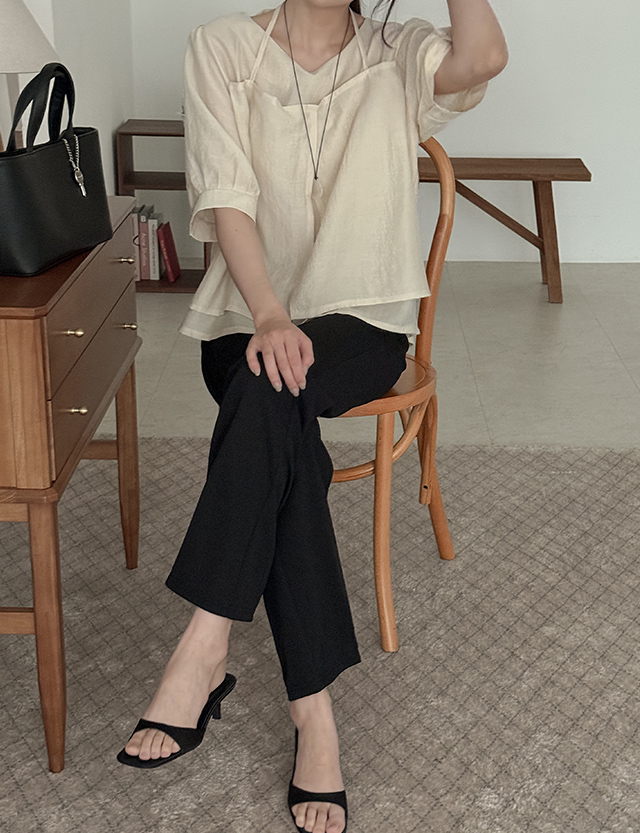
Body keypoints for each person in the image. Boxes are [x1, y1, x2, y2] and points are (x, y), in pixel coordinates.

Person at [117, 1, 507, 831]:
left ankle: (206, 642)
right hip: (244, 318)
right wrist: (269, 314)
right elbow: (226, 196)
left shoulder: (398, 51)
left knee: (271, 397)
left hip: (364, 322)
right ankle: (313, 713)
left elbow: (481, 58)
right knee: (276, 399)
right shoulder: (222, 48)